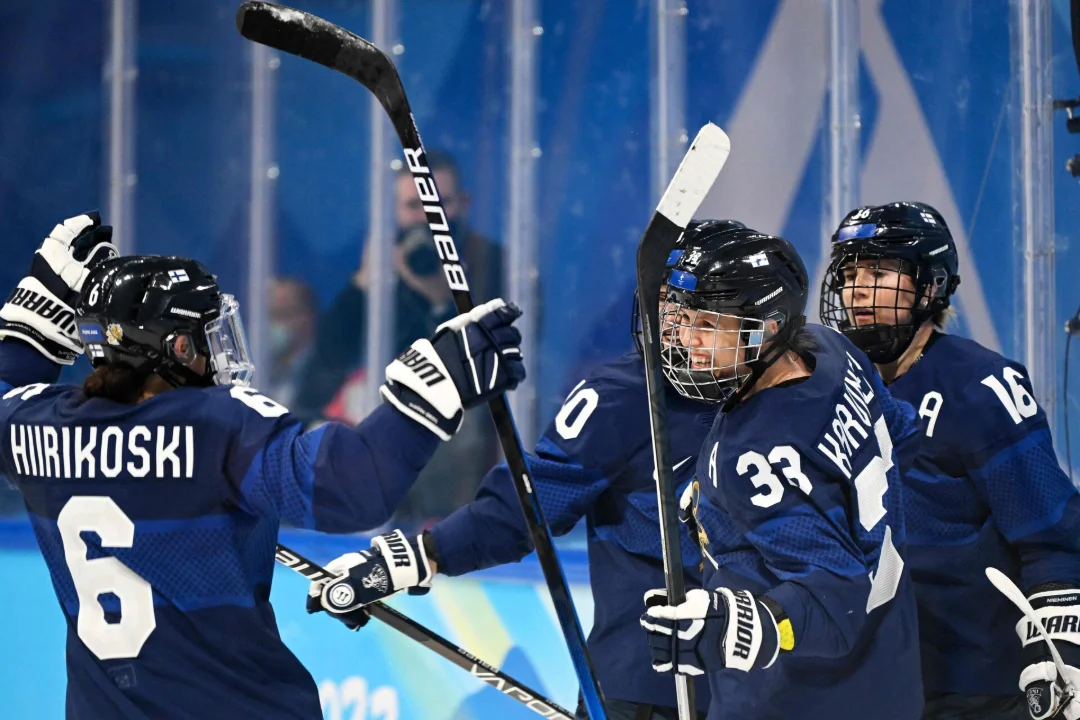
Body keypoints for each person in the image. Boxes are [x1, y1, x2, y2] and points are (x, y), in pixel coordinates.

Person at [0, 212, 526, 719]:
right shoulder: (214, 425)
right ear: (178, 346)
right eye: (207, 333)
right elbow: (351, 488)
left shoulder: (39, 422)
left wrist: (27, 332)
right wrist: (439, 382)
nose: (219, 347)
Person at [302, 223, 753, 720]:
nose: (681, 333)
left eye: (703, 319)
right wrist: (419, 556)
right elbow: (532, 501)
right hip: (651, 689)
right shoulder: (626, 396)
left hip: (773, 684)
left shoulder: (785, 396)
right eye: (672, 311)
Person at [637, 223, 924, 719]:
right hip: (887, 672)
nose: (687, 341)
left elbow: (835, 601)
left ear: (766, 326)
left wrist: (743, 624)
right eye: (683, 321)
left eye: (707, 325)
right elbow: (898, 429)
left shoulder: (757, 458)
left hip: (799, 699)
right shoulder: (833, 349)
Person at [820, 201, 1080, 720]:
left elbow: (1052, 536)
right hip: (865, 681)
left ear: (930, 286)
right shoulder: (825, 388)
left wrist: (1062, 647)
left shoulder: (981, 388)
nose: (858, 290)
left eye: (879, 271)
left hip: (973, 685)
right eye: (849, 274)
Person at [314, 150, 504, 522]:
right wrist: (364, 285)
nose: (428, 217)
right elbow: (330, 356)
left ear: (463, 204)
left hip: (462, 428)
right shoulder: (381, 264)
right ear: (394, 212)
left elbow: (508, 355)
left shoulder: (493, 264)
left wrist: (444, 301)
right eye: (413, 206)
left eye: (439, 203)